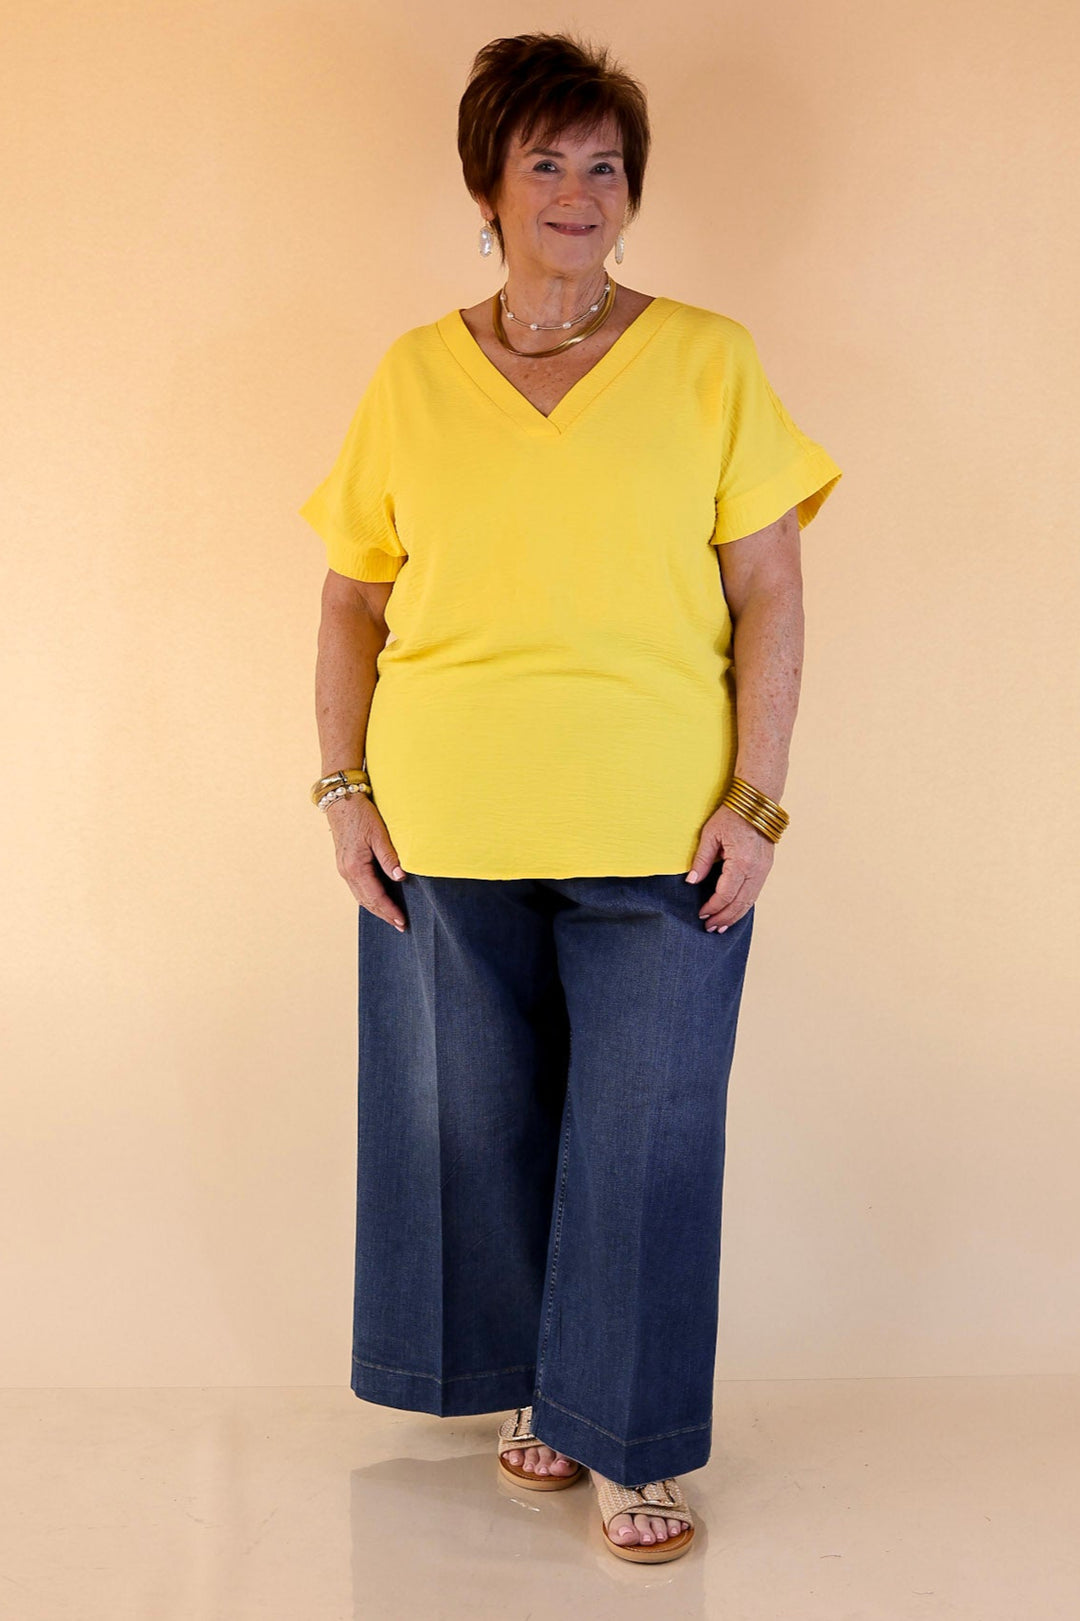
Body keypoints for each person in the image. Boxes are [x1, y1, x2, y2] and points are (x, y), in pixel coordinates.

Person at [298, 31, 842, 1566]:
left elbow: (772, 585)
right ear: (488, 185)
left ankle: (627, 1436)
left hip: (663, 825)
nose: (579, 191)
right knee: (473, 1123)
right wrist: (342, 788)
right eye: (545, 161)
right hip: (447, 821)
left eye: (605, 164)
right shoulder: (414, 373)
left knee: (645, 1133)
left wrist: (759, 796)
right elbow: (349, 598)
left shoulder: (711, 359)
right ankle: (544, 1381)